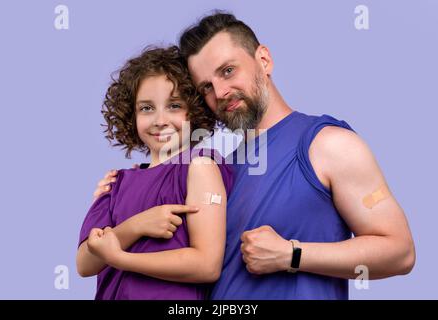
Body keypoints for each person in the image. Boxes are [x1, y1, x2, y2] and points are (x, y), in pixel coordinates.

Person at [93, 12, 415, 299]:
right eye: (206, 86)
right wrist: (128, 188)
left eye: (228, 71)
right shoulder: (218, 170)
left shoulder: (328, 144)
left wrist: (293, 255)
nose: (219, 93)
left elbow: (399, 252)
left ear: (264, 60)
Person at [77, 46, 234, 300]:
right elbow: (85, 263)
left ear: (193, 110)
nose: (160, 120)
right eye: (146, 108)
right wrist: (137, 226)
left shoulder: (201, 168)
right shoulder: (116, 182)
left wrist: (122, 258)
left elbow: (207, 264)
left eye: (174, 105)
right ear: (131, 114)